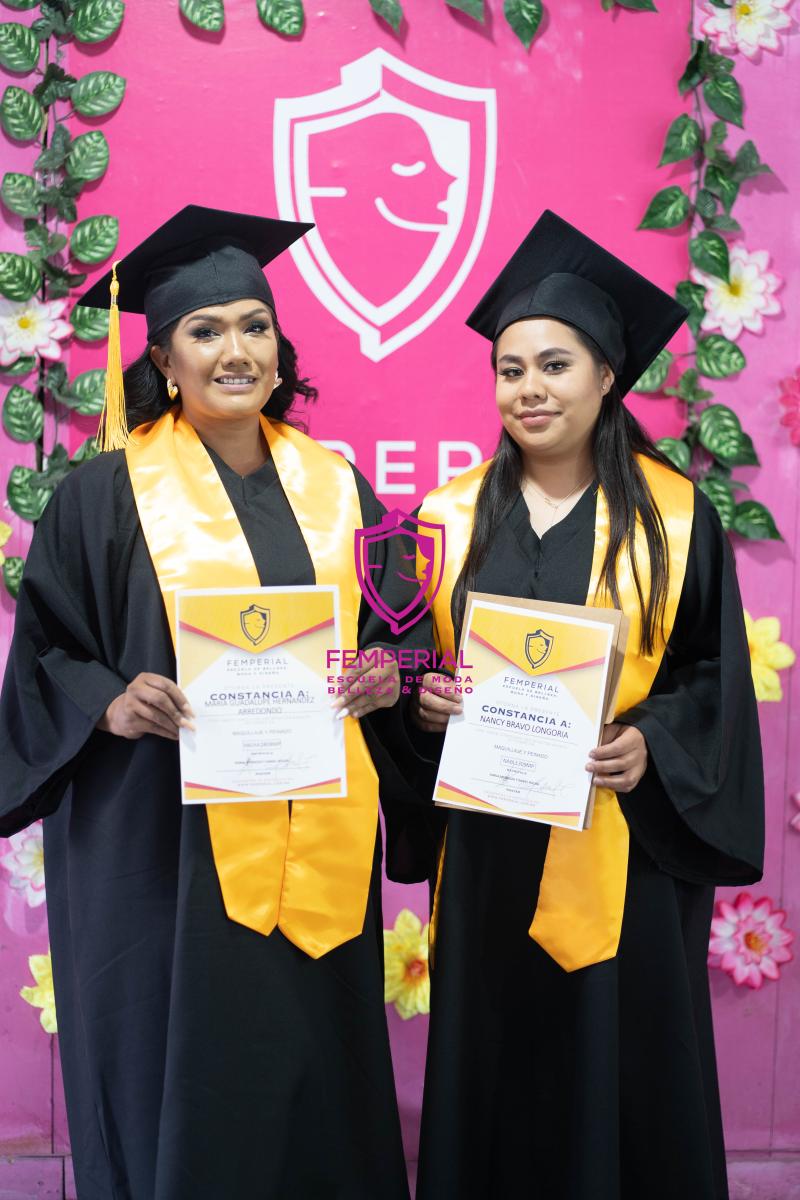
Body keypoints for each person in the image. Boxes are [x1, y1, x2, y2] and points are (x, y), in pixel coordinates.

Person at [0, 205, 419, 1200]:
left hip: (312, 833)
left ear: (279, 349)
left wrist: (387, 672)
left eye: (255, 326)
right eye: (206, 331)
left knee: (311, 1074)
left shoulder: (341, 488)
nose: (236, 351)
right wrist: (111, 702)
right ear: (165, 359)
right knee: (171, 1071)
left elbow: (400, 627)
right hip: (159, 847)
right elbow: (49, 651)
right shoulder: (100, 495)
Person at [410, 211, 764, 1200]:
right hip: (488, 856)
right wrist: (423, 705)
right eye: (509, 369)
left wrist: (649, 743)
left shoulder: (675, 518)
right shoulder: (446, 517)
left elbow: (710, 679)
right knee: (495, 1074)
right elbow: (405, 668)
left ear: (608, 375)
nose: (528, 388)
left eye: (554, 365)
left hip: (621, 855)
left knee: (622, 1074)